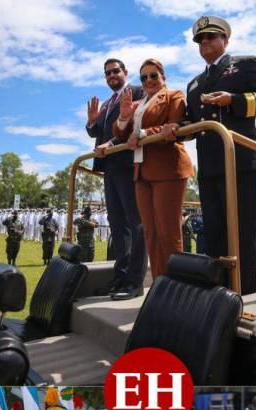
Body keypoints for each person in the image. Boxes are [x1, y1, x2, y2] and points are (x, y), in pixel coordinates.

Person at [184, 16, 256, 295]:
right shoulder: (194, 84)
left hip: (240, 161)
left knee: (240, 235)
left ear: (225, 40)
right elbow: (191, 125)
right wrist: (172, 129)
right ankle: (220, 295)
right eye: (200, 39)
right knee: (214, 235)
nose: (205, 42)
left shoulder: (245, 64)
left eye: (211, 37)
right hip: (209, 167)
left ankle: (244, 297)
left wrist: (234, 100)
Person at [113, 58, 193, 282]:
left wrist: (143, 134)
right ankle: (160, 284)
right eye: (143, 77)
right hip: (141, 172)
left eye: (153, 75)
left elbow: (175, 125)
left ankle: (176, 287)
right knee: (150, 232)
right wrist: (124, 116)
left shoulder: (174, 95)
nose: (148, 80)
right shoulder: (138, 105)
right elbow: (120, 133)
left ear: (163, 77)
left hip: (168, 169)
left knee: (168, 232)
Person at [88, 58, 146, 299]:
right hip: (109, 167)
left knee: (136, 223)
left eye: (115, 71)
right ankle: (120, 277)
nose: (111, 76)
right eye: (107, 73)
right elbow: (97, 131)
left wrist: (111, 143)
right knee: (117, 225)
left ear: (125, 72)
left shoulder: (137, 91)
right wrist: (92, 121)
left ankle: (134, 282)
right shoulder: (108, 102)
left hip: (127, 162)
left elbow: (137, 123)